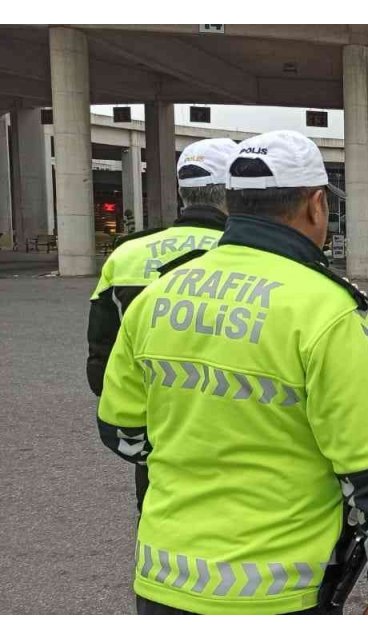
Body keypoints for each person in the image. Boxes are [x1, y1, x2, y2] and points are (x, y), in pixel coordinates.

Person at [96, 130, 368, 615]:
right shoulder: (324, 310)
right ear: (316, 206)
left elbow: (121, 433)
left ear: (232, 204)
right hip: (280, 589)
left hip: (164, 581)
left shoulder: (159, 295)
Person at [87, 138, 237, 513]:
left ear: (182, 192)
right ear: (233, 192)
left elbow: (100, 364)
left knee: (163, 528)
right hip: (243, 433)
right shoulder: (256, 254)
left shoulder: (126, 254)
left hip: (159, 433)